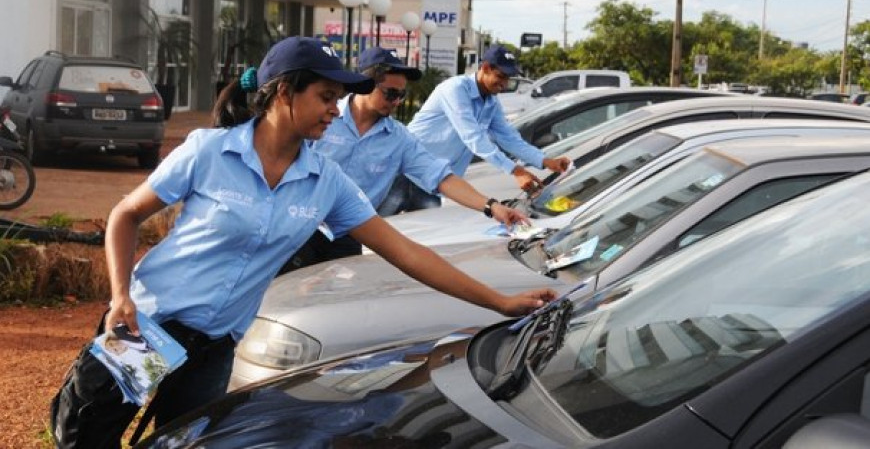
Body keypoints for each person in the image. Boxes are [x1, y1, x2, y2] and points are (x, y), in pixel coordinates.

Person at [50, 36, 557, 449]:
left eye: (338, 100)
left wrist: (500, 301)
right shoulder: (208, 151)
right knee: (86, 435)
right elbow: (125, 215)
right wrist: (120, 295)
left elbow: (408, 253)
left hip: (214, 348)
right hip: (147, 324)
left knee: (185, 443)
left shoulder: (326, 181)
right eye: (324, 97)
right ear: (284, 92)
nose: (334, 111)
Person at [283, 46, 530, 271]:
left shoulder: (398, 138)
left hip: (347, 238)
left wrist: (491, 206)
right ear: (366, 83)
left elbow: (441, 177)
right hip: (295, 228)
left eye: (401, 95)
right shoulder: (324, 117)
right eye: (390, 93)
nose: (397, 102)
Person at [378, 44, 572, 215]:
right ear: (485, 68)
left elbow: (509, 138)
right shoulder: (455, 89)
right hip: (403, 171)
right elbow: (473, 137)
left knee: (419, 240)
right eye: (501, 77)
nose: (504, 84)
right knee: (372, 233)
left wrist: (545, 161)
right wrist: (515, 170)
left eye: (508, 79)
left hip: (434, 181)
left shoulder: (491, 102)